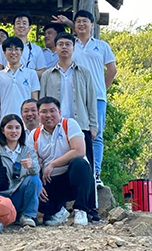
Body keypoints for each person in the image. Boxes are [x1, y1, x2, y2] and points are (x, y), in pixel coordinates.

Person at [39, 32, 98, 178]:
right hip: (55, 127)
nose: (64, 47)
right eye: (60, 44)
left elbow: (91, 100)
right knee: (55, 168)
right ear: (56, 48)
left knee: (84, 167)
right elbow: (42, 101)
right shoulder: (47, 75)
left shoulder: (84, 73)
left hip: (80, 124)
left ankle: (90, 193)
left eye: (68, 44)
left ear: (73, 48)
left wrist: (93, 125)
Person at [30, 97, 96, 226]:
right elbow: (32, 162)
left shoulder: (69, 125)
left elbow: (79, 151)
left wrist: (53, 164)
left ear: (59, 112)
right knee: (30, 186)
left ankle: (81, 210)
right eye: (44, 112)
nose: (48, 115)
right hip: (50, 181)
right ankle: (58, 212)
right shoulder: (34, 135)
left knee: (80, 164)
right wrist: (37, 183)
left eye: (52, 111)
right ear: (38, 114)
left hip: (71, 178)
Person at [71, 10, 117, 188]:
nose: (82, 24)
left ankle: (95, 173)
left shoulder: (102, 46)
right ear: (74, 25)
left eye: (85, 21)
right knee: (74, 133)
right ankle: (77, 172)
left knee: (96, 134)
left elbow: (112, 70)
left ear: (92, 24)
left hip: (97, 97)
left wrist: (102, 89)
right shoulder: (70, 45)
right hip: (75, 96)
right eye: (78, 21)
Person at [0, 114, 42, 232]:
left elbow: (36, 174)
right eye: (9, 127)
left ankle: (27, 216)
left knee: (34, 179)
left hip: (18, 195)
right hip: (1, 196)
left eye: (17, 128)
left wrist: (31, 165)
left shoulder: (28, 151)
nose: (14, 131)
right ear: (3, 130)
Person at [0, 37, 40, 118]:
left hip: (26, 120)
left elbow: (34, 100)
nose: (13, 52)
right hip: (4, 120)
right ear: (4, 52)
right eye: (10, 49)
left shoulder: (31, 74)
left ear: (21, 52)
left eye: (17, 49)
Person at [0, 13, 47, 78]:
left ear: (29, 28)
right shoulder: (3, 46)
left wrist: (26, 73)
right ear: (14, 27)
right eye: (18, 23)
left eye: (24, 23)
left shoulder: (36, 49)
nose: (21, 26)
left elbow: (42, 72)